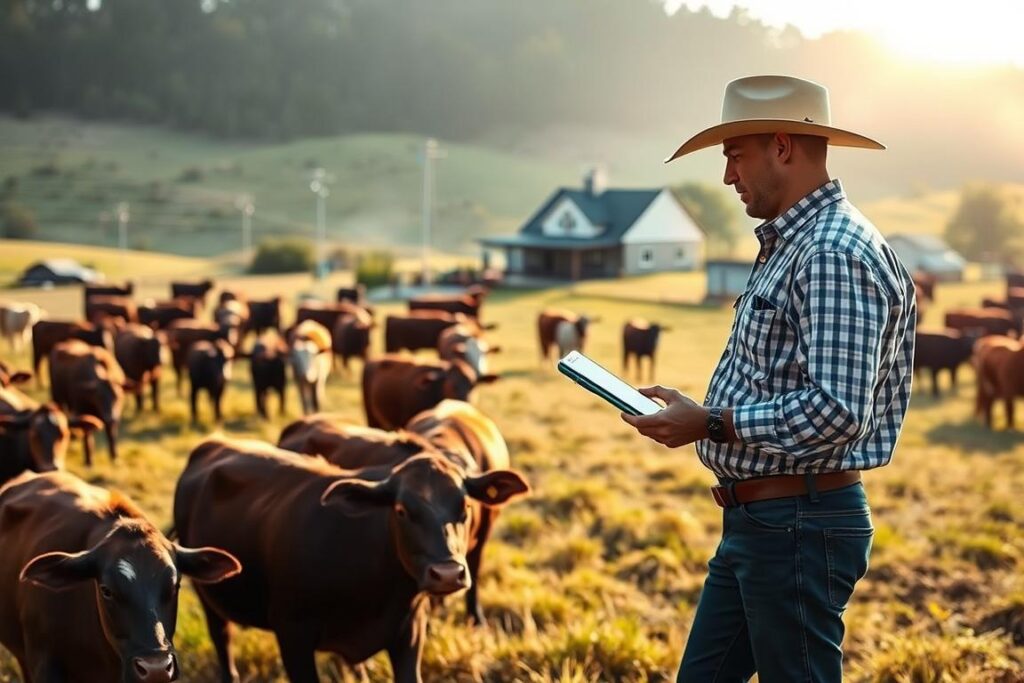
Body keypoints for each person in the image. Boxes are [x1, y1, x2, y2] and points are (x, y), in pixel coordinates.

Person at [621, 75, 917, 682]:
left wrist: (710, 421)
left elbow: (836, 409)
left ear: (781, 146)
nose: (728, 176)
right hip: (764, 523)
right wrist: (704, 411)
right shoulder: (796, 242)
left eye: (734, 155)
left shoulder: (830, 251)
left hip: (797, 527)